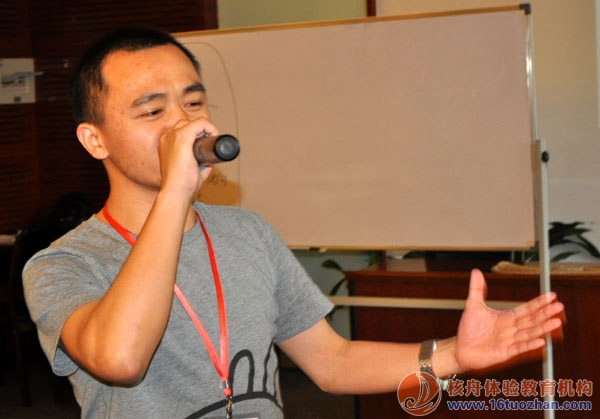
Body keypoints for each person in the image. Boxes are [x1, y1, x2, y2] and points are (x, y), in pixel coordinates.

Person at [23, 27, 565, 419]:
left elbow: (333, 361)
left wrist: (454, 356)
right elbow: (120, 359)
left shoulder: (248, 233)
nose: (184, 125)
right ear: (94, 139)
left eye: (193, 102)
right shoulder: (64, 263)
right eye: (152, 111)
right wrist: (175, 191)